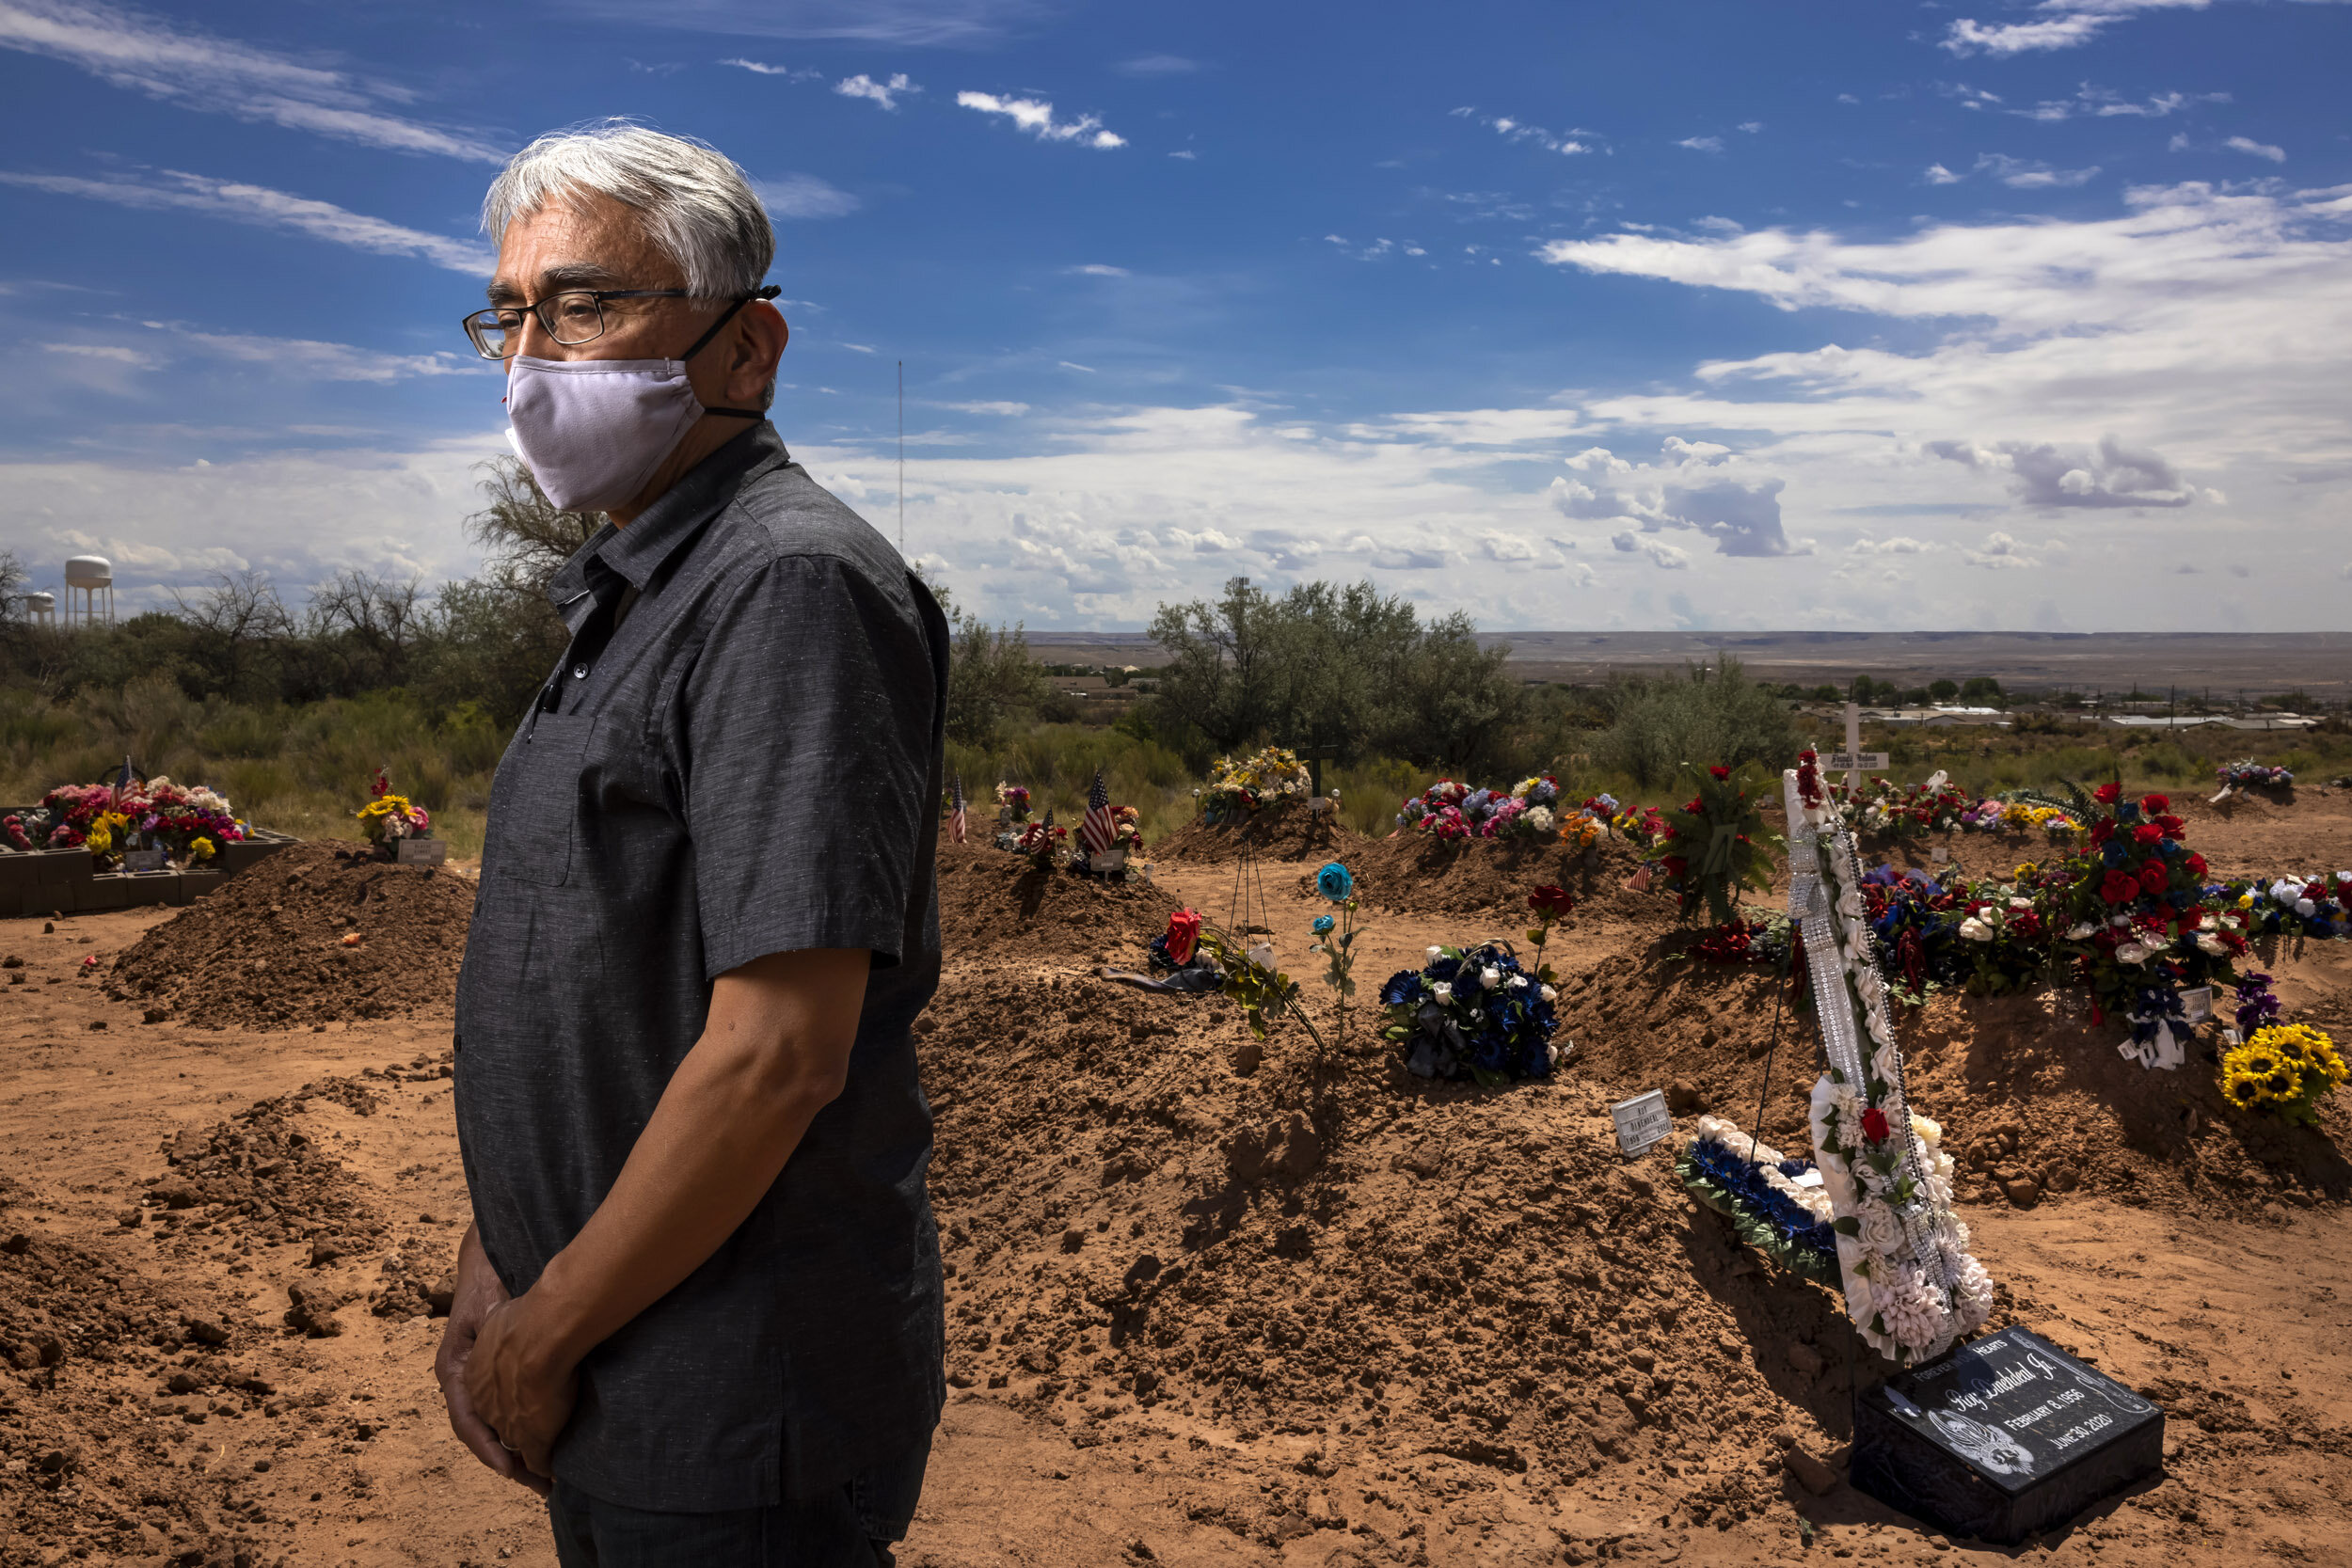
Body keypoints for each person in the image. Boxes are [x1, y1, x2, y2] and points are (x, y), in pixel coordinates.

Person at [435, 120, 949, 1567]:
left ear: (746, 348)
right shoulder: (630, 589)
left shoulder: (786, 587)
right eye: (516, 314)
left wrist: (545, 1331)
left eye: (590, 304)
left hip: (729, 1391)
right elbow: (593, 984)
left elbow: (779, 1051)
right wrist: (499, 1254)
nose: (539, 357)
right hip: (612, 1356)